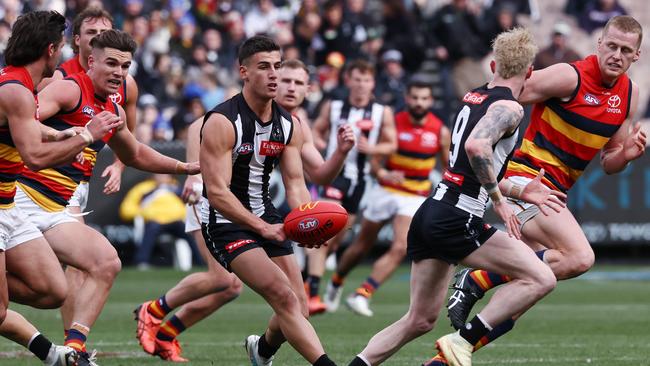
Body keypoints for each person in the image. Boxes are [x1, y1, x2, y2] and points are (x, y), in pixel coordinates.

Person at [347, 27, 562, 366]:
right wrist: (500, 201)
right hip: (458, 218)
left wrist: (520, 189)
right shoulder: (511, 107)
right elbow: (476, 147)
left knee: (418, 320)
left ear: (493, 66)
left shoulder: (473, 96)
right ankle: (463, 342)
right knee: (541, 276)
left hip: (433, 210)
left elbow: (471, 166)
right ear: (530, 72)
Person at [442, 15, 646, 364]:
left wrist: (626, 153)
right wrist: (484, 136)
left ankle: (452, 351)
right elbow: (511, 92)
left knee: (522, 299)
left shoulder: (628, 96)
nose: (616, 54)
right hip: (526, 180)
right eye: (611, 45)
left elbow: (610, 161)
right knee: (580, 257)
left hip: (551, 191)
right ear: (598, 44)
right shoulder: (570, 75)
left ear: (636, 56)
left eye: (625, 50)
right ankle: (479, 277)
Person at [132, 58, 355, 362]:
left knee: (282, 302)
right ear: (251, 75)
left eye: (296, 82)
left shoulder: (292, 124)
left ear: (307, 89)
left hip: (261, 211)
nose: (285, 85)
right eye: (281, 77)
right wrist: (196, 175)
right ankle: (154, 312)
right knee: (229, 282)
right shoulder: (235, 111)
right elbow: (201, 126)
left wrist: (311, 217)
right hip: (214, 204)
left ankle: (257, 349)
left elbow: (312, 178)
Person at [16, 29, 199, 365]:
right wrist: (73, 136)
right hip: (20, 199)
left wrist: (183, 166)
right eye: (111, 63)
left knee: (106, 262)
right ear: (90, 62)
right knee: (50, 290)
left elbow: (134, 154)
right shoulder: (69, 88)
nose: (119, 72)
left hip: (55, 209)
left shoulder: (114, 103)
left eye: (125, 66)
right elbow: (19, 121)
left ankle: (75, 349)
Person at [200, 35, 337, 366]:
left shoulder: (289, 123)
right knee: (283, 296)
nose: (274, 74)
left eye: (277, 66)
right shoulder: (222, 121)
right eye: (264, 67)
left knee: (298, 307)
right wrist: (262, 227)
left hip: (268, 216)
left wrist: (308, 223)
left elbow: (295, 183)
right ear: (243, 71)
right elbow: (217, 193)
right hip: (225, 223)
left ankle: (261, 351)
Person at [0, 10, 120, 366]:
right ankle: (53, 354)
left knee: (53, 290)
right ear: (51, 49)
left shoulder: (21, 86)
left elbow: (30, 129)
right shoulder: (15, 89)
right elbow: (35, 158)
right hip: (9, 200)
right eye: (63, 47)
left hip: (8, 204)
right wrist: (85, 135)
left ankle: (52, 353)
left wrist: (59, 132)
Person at [38, 7, 141, 344]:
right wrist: (67, 138)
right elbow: (26, 122)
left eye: (106, 32)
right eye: (93, 33)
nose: (100, 38)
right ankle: (73, 344)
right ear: (78, 40)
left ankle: (72, 344)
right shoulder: (58, 78)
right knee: (85, 263)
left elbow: (130, 136)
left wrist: (120, 165)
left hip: (79, 183)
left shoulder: (125, 85)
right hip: (45, 182)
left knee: (78, 268)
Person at [327, 79, 450, 317]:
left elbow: (447, 167)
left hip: (414, 196)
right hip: (384, 191)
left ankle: (362, 294)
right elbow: (373, 162)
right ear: (407, 98)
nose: (419, 103)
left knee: (401, 247)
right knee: (361, 246)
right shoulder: (392, 123)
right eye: (414, 98)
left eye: (424, 98)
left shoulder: (439, 130)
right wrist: (383, 173)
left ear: (431, 101)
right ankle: (336, 282)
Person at [312, 59, 397, 313]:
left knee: (339, 237)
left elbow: (391, 144)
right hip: (335, 175)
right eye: (357, 79)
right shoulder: (334, 105)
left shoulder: (382, 111)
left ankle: (316, 276)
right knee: (327, 229)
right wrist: (324, 146)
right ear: (348, 80)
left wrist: (372, 149)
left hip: (360, 182)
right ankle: (310, 287)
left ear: (373, 83)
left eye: (366, 80)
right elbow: (317, 131)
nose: (361, 85)